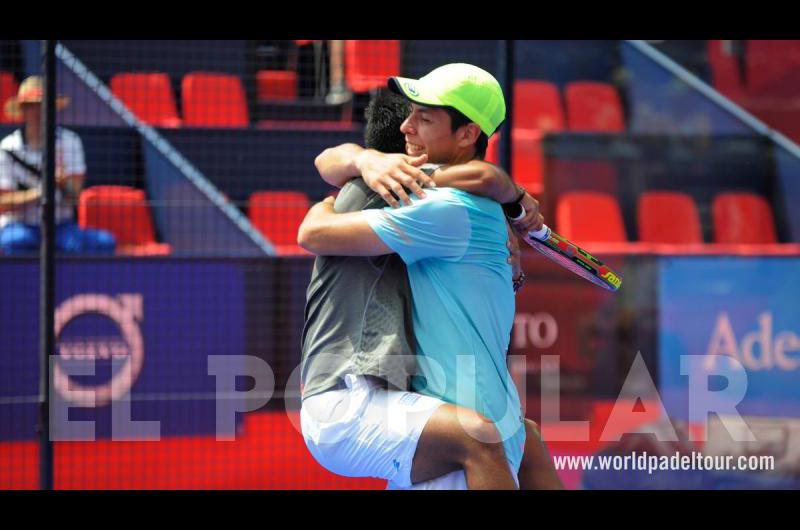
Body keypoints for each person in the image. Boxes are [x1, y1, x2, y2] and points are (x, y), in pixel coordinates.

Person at [299, 64, 561, 490]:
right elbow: (485, 176)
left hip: (450, 423)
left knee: (498, 438)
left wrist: (325, 202)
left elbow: (314, 228)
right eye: (409, 116)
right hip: (403, 410)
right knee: (498, 437)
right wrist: (510, 199)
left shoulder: (440, 206)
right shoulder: (441, 198)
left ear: (466, 133)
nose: (408, 127)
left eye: (424, 118)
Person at [0, 76, 116, 255]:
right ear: (23, 109)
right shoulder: (8, 147)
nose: (38, 111)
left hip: (61, 226)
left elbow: (75, 196)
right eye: (32, 105)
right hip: (19, 225)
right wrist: (40, 193)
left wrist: (63, 184)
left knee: (104, 242)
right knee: (16, 242)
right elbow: (2, 203)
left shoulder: (71, 141)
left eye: (43, 105)